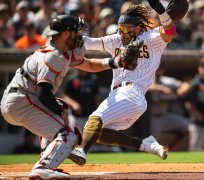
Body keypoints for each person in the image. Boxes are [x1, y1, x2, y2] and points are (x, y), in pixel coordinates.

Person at [1, 14, 132, 179]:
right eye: (76, 31)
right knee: (69, 135)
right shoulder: (52, 56)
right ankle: (42, 167)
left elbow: (89, 64)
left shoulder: (65, 52)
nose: (80, 35)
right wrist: (59, 113)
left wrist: (115, 62)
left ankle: (45, 158)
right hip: (22, 100)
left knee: (61, 108)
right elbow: (43, 94)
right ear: (65, 34)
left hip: (22, 99)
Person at [68, 2, 177, 165]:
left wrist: (161, 11)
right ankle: (145, 144)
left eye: (128, 29)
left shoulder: (150, 38)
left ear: (139, 28)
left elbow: (170, 31)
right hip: (122, 96)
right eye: (121, 28)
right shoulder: (116, 40)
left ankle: (81, 151)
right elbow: (89, 42)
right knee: (101, 134)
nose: (123, 33)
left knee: (95, 119)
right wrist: (69, 36)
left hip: (132, 92)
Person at [148, 65, 190, 151]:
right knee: (150, 143)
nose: (158, 71)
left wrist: (182, 89)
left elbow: (185, 84)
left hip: (164, 116)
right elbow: (147, 87)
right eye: (157, 68)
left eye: (160, 69)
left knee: (187, 126)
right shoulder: (147, 79)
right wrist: (162, 89)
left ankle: (170, 147)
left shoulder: (166, 80)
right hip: (150, 119)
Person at [62, 69, 101, 134]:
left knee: (88, 140)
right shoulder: (72, 79)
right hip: (76, 117)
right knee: (74, 138)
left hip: (90, 116)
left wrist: (98, 111)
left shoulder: (94, 79)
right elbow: (65, 96)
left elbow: (97, 96)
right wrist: (74, 104)